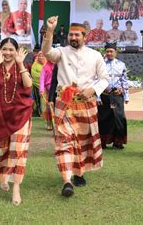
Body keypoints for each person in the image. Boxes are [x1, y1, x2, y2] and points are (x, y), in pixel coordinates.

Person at [42, 17, 109, 197]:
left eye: (77, 35)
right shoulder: (61, 52)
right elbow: (46, 52)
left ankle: (79, 172)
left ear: (84, 36)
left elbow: (105, 78)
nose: (73, 37)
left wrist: (93, 89)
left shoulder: (95, 55)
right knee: (64, 141)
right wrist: (50, 30)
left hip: (86, 103)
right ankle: (67, 180)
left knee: (82, 140)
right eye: (71, 34)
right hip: (64, 103)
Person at [0, 38, 33, 206]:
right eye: (5, 49)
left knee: (18, 152)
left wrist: (21, 64)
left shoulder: (21, 65)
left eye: (11, 49)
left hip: (21, 114)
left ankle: (16, 188)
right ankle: (3, 176)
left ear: (16, 51)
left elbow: (29, 85)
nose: (8, 53)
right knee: (1, 150)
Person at [97, 42, 129, 150]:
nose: (109, 53)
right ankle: (102, 142)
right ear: (105, 52)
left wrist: (126, 96)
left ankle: (118, 142)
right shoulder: (100, 64)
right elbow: (96, 81)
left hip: (117, 96)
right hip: (104, 96)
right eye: (107, 51)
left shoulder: (121, 64)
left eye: (111, 51)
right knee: (103, 119)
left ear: (116, 52)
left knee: (119, 118)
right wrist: (97, 97)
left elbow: (124, 81)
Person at [39, 59, 55, 130]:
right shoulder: (45, 67)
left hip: (58, 90)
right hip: (48, 89)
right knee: (49, 107)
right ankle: (49, 123)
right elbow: (42, 79)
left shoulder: (59, 65)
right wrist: (41, 90)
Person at [30, 52, 46, 117]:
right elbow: (34, 74)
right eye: (40, 56)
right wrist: (43, 76)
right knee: (38, 100)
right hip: (36, 86)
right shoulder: (35, 65)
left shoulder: (47, 64)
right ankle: (39, 112)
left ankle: (46, 113)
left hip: (47, 86)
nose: (41, 58)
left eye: (43, 56)